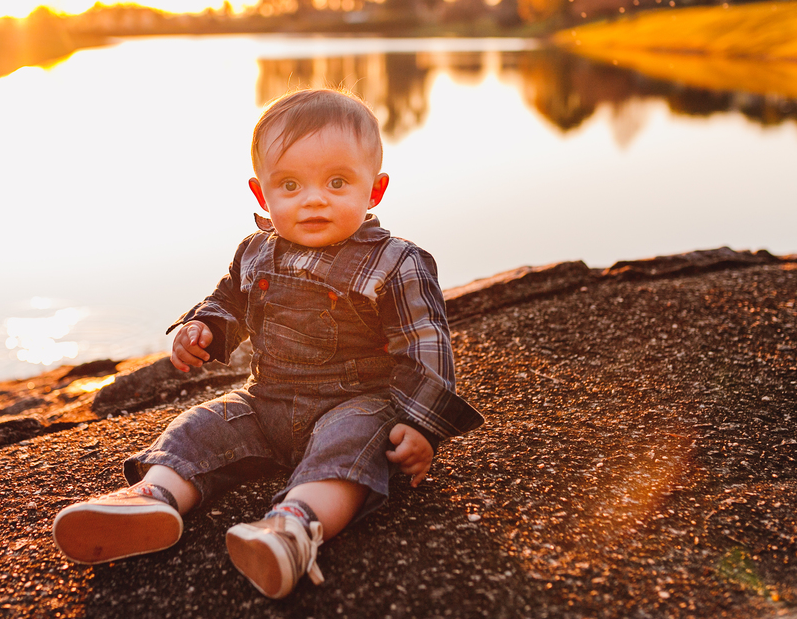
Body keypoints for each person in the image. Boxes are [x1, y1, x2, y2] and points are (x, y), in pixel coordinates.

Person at [52, 87, 483, 599]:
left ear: (376, 189)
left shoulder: (395, 262)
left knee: (346, 452)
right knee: (199, 426)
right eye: (291, 184)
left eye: (338, 182)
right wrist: (204, 330)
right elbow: (229, 303)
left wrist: (421, 427)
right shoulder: (255, 252)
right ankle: (153, 498)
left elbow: (425, 345)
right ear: (262, 195)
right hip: (267, 402)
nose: (315, 198)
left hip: (358, 404)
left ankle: (294, 527)